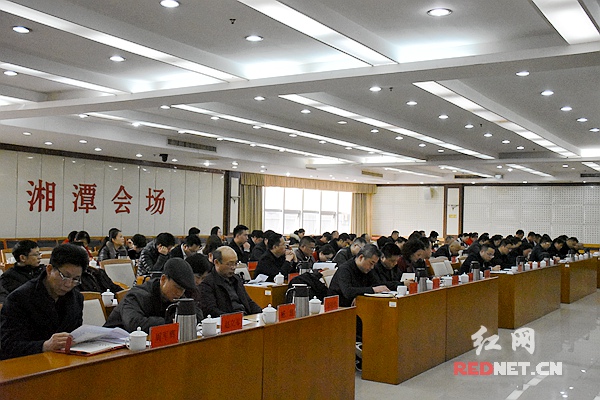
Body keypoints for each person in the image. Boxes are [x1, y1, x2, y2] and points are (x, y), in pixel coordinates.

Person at [0, 244, 88, 360]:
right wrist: (44, 345)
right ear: (49, 269)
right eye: (65, 276)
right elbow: (7, 345)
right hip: (30, 364)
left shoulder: (76, 298)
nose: (68, 284)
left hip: (65, 361)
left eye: (75, 279)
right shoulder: (19, 299)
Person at [104, 258, 201, 332]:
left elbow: (197, 314)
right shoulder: (137, 295)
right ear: (163, 279)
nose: (179, 293)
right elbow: (134, 323)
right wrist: (171, 322)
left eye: (183, 289)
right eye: (177, 287)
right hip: (113, 343)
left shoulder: (175, 296)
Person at [199, 246, 262, 317]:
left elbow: (248, 302)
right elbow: (211, 310)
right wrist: (233, 318)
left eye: (235, 263)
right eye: (230, 264)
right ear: (216, 262)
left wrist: (262, 313)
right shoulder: (207, 283)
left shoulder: (236, 279)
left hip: (245, 317)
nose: (233, 267)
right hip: (228, 319)